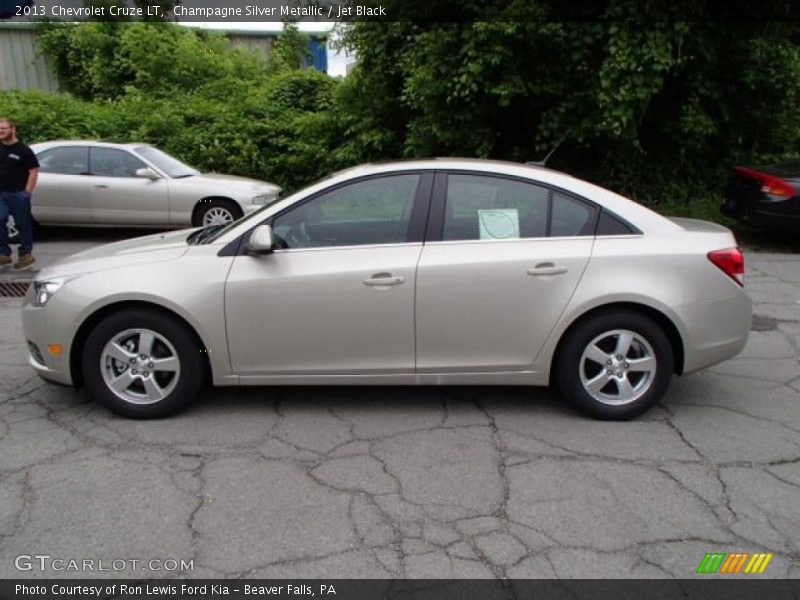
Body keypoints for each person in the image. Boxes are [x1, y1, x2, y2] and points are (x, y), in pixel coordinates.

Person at [0, 118, 38, 269]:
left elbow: (33, 171)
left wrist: (27, 193)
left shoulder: (23, 150)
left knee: (23, 225)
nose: (1, 131)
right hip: (1, 193)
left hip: (18, 194)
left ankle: (25, 254)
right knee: (0, 218)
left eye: (4, 128)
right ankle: (3, 253)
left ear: (12, 129)